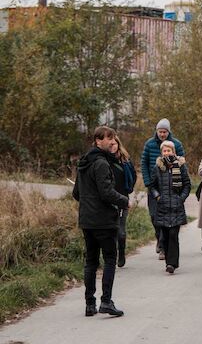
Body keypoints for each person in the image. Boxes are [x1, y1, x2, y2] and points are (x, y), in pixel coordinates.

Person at [72, 126, 130, 317]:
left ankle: (90, 304)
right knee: (110, 259)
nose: (112, 142)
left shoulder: (84, 163)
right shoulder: (101, 163)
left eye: (113, 138)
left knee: (91, 261)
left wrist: (89, 204)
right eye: (109, 139)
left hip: (87, 220)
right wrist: (123, 200)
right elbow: (106, 193)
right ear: (98, 141)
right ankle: (106, 301)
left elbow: (76, 194)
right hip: (104, 220)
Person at [140, 119, 185, 260]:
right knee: (154, 216)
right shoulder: (149, 144)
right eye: (160, 131)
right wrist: (148, 183)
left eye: (165, 132)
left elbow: (182, 161)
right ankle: (159, 238)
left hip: (171, 189)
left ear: (168, 131)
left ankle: (163, 247)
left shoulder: (176, 144)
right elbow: (143, 163)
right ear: (157, 131)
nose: (162, 134)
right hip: (154, 187)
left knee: (166, 220)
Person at [150, 140, 191, 274]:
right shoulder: (158, 167)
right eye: (164, 151)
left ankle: (172, 264)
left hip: (176, 207)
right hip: (162, 207)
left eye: (169, 150)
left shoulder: (180, 166)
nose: (167, 153)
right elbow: (152, 186)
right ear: (161, 153)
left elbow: (187, 184)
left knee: (173, 235)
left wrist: (181, 198)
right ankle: (169, 260)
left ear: (173, 152)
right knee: (165, 236)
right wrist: (157, 197)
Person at [109, 135, 137, 268]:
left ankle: (121, 253)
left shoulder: (125, 160)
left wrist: (128, 189)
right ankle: (111, 256)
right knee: (110, 231)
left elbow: (133, 176)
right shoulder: (102, 160)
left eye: (114, 144)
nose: (112, 146)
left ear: (118, 144)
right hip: (107, 200)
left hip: (122, 199)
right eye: (110, 144)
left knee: (120, 231)